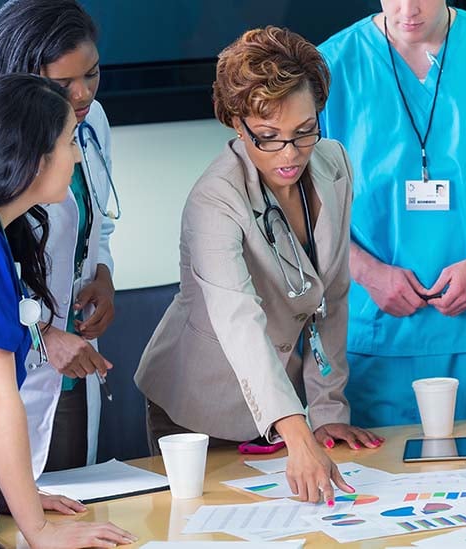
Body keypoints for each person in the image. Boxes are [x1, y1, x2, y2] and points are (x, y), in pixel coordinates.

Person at [134, 26, 383, 505]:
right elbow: (239, 322)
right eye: (268, 137)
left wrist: (327, 408)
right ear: (235, 122)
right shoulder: (215, 200)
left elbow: (331, 296)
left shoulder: (334, 165)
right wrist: (298, 433)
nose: (290, 154)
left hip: (281, 406)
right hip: (198, 409)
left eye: (304, 131)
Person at [0, 73, 135, 548]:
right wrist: (40, 532)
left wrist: (13, 494)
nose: (79, 155)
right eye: (69, 142)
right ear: (30, 157)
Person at [318, 0, 466, 428]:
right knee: (376, 485)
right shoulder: (330, 69)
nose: (407, 9)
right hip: (374, 338)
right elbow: (297, 206)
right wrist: (366, 272)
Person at [0, 0, 119, 481]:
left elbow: (93, 223)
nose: (83, 95)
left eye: (93, 74)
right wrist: (40, 332)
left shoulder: (90, 122)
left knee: (72, 503)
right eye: (63, 85)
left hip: (72, 360)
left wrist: (102, 271)